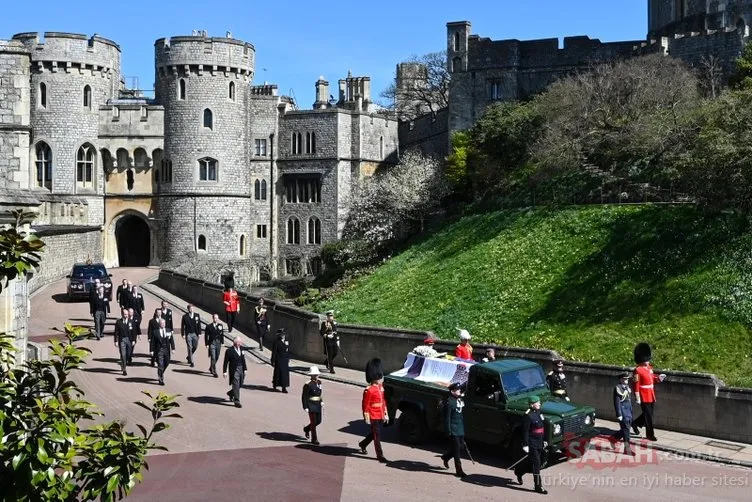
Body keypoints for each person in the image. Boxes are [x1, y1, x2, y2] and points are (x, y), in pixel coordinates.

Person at [631, 343, 666, 441]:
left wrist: (659, 379)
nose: (648, 361)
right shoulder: (637, 370)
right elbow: (636, 384)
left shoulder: (649, 368)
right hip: (643, 395)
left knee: (648, 414)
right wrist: (637, 397)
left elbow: (652, 379)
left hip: (651, 394)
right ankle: (650, 435)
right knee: (649, 416)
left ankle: (635, 423)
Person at [514, 395, 548, 494]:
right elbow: (525, 432)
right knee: (536, 464)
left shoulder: (538, 412)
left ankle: (519, 471)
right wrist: (525, 445)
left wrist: (544, 440)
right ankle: (538, 486)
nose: (539, 404)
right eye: (537, 402)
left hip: (539, 441)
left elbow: (542, 427)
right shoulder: (527, 416)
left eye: (539, 402)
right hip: (532, 443)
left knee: (537, 462)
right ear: (532, 405)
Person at [358, 359, 389, 464]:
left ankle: (363, 444)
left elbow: (383, 401)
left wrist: (385, 413)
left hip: (380, 414)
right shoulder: (369, 390)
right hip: (373, 415)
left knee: (374, 434)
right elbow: (365, 404)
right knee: (377, 436)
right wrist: (366, 416)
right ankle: (380, 456)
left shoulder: (381, 388)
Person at [440, 382, 467, 478]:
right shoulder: (449, 402)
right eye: (457, 390)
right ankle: (459, 470)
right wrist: (448, 431)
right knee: (457, 450)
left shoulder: (459, 400)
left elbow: (461, 416)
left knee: (461, 447)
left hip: (460, 428)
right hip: (454, 428)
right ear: (452, 391)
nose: (459, 391)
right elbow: (447, 418)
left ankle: (446, 457)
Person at [611, 372, 634, 455]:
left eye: (627, 379)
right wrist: (619, 414)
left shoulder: (627, 387)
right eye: (625, 379)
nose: (626, 380)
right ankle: (627, 449)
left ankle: (614, 438)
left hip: (628, 411)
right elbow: (617, 403)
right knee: (626, 430)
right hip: (623, 411)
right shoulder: (617, 388)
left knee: (626, 428)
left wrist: (631, 411)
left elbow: (629, 401)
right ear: (621, 379)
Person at [223, 337, 247, 408]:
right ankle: (237, 401)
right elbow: (225, 362)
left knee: (240, 383)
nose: (240, 344)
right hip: (234, 369)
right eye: (239, 342)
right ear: (235, 343)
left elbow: (243, 360)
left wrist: (245, 369)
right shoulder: (229, 351)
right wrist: (224, 371)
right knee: (236, 384)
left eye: (240, 342)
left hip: (241, 368)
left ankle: (231, 393)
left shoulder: (242, 349)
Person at [302, 366, 323, 445]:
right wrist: (305, 406)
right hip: (311, 404)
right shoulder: (308, 385)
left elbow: (319, 393)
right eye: (314, 374)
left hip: (318, 404)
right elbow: (304, 396)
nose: (316, 376)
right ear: (311, 375)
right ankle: (314, 439)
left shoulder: (319, 382)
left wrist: (321, 401)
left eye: (317, 374)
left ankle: (307, 429)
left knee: (319, 421)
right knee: (313, 422)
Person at [152, 318, 175, 386]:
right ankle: (161, 379)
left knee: (167, 362)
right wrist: (152, 350)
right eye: (162, 323)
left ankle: (161, 372)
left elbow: (172, 340)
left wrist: (173, 348)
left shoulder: (168, 330)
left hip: (166, 350)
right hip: (159, 350)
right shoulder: (155, 332)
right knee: (160, 364)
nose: (163, 325)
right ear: (159, 324)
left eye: (164, 323)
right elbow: (153, 342)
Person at [114, 308, 134, 376]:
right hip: (122, 339)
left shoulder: (131, 321)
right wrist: (116, 341)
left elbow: (134, 332)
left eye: (127, 314)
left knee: (128, 354)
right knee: (123, 354)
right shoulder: (118, 322)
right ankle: (124, 369)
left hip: (129, 339)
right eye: (124, 314)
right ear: (122, 314)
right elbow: (116, 332)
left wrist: (134, 340)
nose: (126, 315)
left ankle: (123, 362)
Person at [205, 313, 225, 377]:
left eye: (217, 318)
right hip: (212, 343)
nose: (216, 319)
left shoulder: (220, 325)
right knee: (213, 357)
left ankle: (211, 367)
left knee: (217, 356)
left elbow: (222, 334)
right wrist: (207, 344)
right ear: (212, 318)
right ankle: (214, 371)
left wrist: (223, 342)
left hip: (218, 343)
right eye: (214, 318)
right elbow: (206, 336)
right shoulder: (209, 326)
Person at [271, 328, 290, 393]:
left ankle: (284, 387)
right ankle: (275, 385)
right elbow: (274, 352)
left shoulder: (286, 342)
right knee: (278, 373)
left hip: (285, 360)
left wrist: (288, 358)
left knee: (285, 374)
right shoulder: (276, 342)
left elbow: (288, 350)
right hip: (279, 359)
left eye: (284, 334)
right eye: (282, 334)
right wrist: (273, 360)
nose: (283, 335)